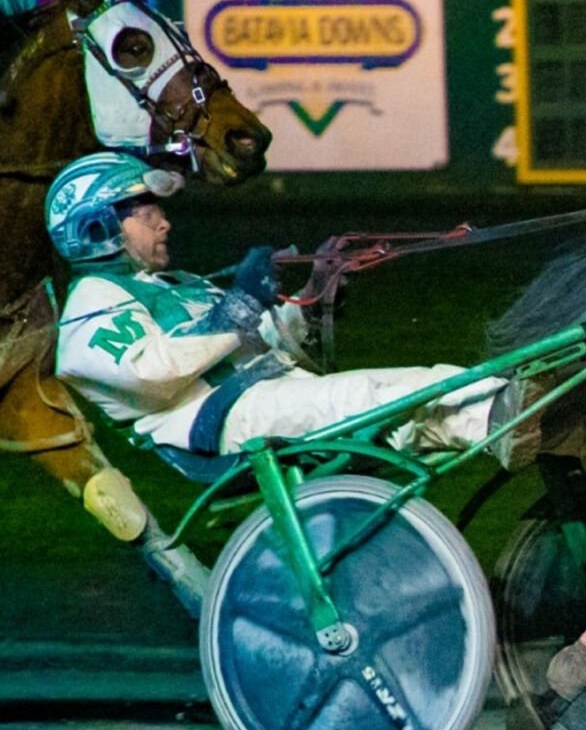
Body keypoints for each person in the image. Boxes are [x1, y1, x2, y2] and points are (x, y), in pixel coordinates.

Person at [48, 153, 525, 606]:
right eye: (147, 215)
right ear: (99, 228)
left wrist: (315, 294)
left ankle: (512, 411)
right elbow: (152, 370)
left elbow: (261, 340)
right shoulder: (90, 303)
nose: (165, 222)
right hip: (218, 426)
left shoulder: (178, 284)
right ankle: (506, 417)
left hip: (262, 399)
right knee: (364, 396)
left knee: (429, 382)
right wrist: (241, 304)